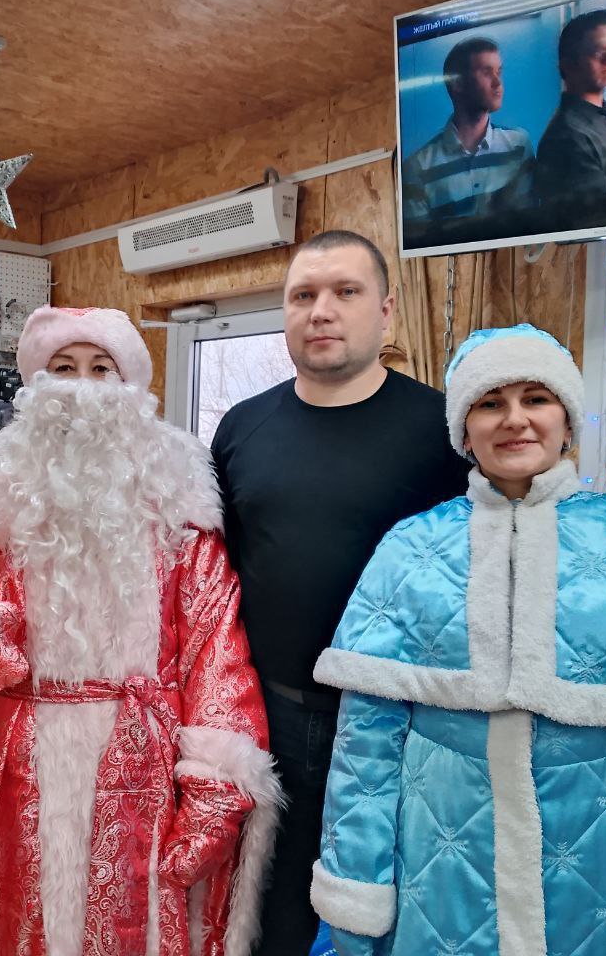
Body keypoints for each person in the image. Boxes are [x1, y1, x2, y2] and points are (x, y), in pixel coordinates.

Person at [311, 324, 606, 956]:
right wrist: (356, 891)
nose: (515, 420)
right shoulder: (409, 551)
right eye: (490, 403)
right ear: (464, 429)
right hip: (437, 860)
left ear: (567, 421)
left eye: (536, 398)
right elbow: (365, 752)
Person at [0, 305, 281, 956]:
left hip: (137, 768)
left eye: (100, 369)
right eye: (63, 368)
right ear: (35, 385)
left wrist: (215, 782)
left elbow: (215, 651)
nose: (81, 387)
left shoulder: (177, 511)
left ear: (130, 386)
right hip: (8, 769)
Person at [210, 230, 469, 954]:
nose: (320, 310)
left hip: (407, 723)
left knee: (396, 914)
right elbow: (215, 577)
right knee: (274, 920)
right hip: (273, 718)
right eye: (303, 295)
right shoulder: (242, 428)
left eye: (345, 292)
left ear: (385, 311)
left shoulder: (445, 432)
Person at [401, 37, 535, 222]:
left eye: (499, 72)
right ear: (457, 83)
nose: (498, 83)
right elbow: (420, 235)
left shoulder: (519, 146)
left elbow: (529, 222)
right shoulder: (417, 167)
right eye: (486, 72)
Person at [535, 10, 606, 202]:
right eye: (599, 52)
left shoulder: (602, 118)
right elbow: (596, 216)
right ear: (569, 64)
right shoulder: (568, 136)